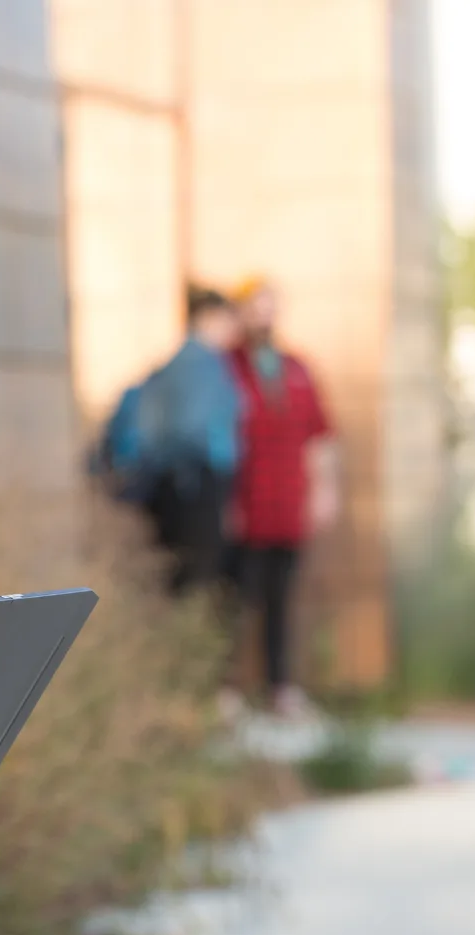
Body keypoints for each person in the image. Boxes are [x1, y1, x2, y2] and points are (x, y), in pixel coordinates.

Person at [223, 277, 339, 718]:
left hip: (287, 505)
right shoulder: (228, 367)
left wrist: (325, 490)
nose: (264, 316)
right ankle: (228, 689)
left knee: (281, 599)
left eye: (271, 307)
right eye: (257, 307)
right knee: (237, 598)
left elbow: (320, 435)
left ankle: (281, 686)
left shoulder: (297, 369)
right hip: (246, 504)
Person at [128, 287, 245, 594]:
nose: (233, 328)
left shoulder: (179, 361)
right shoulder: (201, 363)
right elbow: (191, 427)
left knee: (181, 574)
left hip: (177, 483)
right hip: (197, 482)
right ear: (206, 318)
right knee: (198, 576)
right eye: (227, 319)